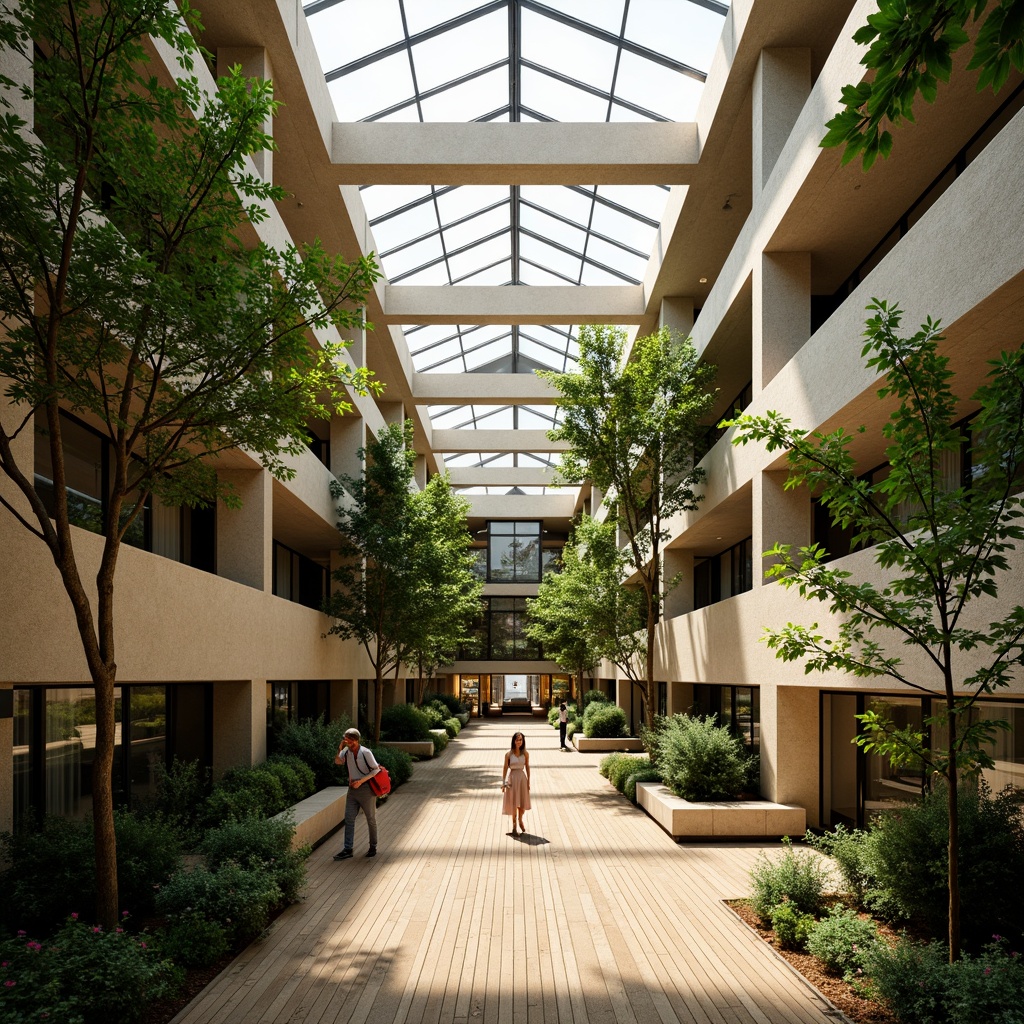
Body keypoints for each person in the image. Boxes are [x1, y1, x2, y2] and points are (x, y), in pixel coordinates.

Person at [333, 727, 381, 860]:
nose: (348, 743)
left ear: (356, 740)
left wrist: (361, 781)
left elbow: (376, 770)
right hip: (352, 791)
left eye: (350, 740)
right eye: (346, 740)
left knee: (370, 819)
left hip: (366, 789)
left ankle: (373, 846)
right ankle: (348, 849)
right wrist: (339, 749)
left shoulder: (365, 752)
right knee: (349, 819)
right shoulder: (346, 752)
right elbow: (337, 762)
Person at [501, 730, 531, 836]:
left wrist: (528, 781)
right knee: (513, 803)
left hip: (522, 779)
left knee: (522, 803)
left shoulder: (525, 754)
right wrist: (503, 781)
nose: (519, 742)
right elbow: (505, 768)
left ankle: (520, 820)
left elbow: (527, 766)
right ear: (514, 741)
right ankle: (514, 827)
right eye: (517, 740)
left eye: (521, 740)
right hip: (512, 779)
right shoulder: (508, 754)